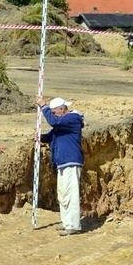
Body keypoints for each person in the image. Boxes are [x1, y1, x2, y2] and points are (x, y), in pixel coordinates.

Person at [36, 95, 85, 236]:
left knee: (71, 194)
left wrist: (43, 106)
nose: (53, 115)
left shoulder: (72, 119)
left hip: (71, 161)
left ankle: (74, 225)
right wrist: (41, 137)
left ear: (62, 109)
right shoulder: (62, 123)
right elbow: (52, 135)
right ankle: (67, 223)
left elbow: (53, 123)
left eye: (54, 112)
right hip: (62, 163)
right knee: (63, 195)